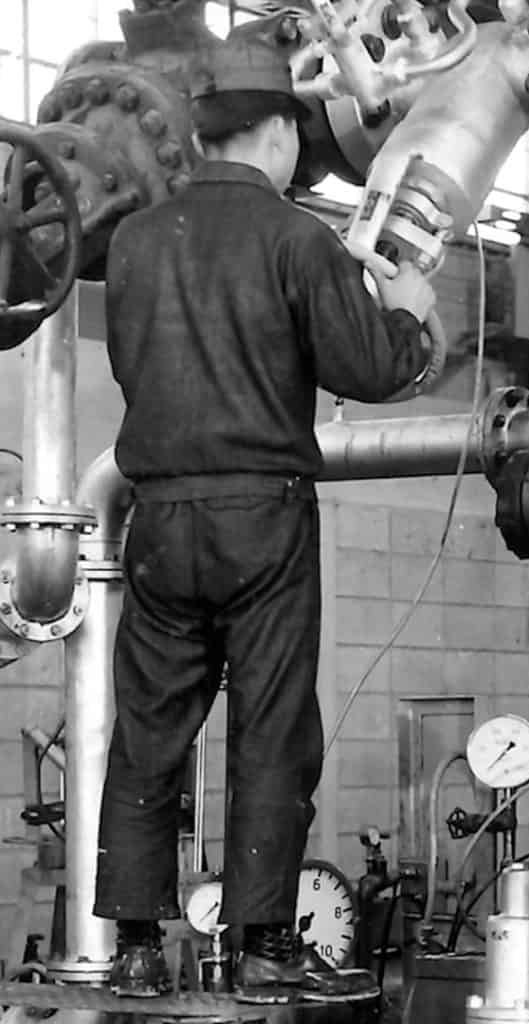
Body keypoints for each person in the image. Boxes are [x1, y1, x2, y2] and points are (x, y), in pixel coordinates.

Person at [93, 36, 437, 999]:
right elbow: (369, 369)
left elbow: (132, 367)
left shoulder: (131, 242)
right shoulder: (295, 240)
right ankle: (265, 952)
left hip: (157, 516)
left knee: (149, 729)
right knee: (273, 728)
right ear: (282, 133)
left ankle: (132, 948)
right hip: (261, 515)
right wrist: (403, 307)